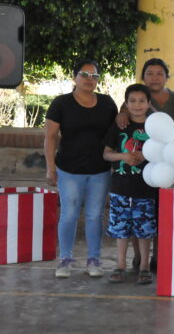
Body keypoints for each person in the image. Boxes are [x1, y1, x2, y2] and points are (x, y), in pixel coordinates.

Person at [44, 59, 118, 279]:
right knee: (69, 215)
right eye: (84, 75)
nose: (89, 80)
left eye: (94, 76)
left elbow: (117, 130)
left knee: (95, 216)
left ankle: (94, 259)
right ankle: (65, 259)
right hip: (69, 170)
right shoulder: (61, 103)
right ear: (74, 77)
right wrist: (50, 168)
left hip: (100, 170)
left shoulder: (106, 103)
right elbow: (50, 137)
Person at [115, 58, 174, 273]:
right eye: (150, 73)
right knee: (139, 211)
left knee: (163, 212)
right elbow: (122, 121)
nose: (154, 77)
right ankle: (138, 256)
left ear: (166, 77)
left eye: (159, 73)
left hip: (169, 163)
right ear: (143, 76)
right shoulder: (135, 98)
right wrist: (121, 114)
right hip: (139, 165)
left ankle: (158, 255)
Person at [103, 84, 157, 285]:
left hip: (146, 190)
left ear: (149, 104)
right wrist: (124, 156)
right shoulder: (120, 126)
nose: (137, 105)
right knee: (120, 230)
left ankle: (144, 266)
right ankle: (120, 265)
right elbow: (106, 153)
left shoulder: (154, 128)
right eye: (132, 101)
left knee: (144, 231)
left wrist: (146, 154)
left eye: (142, 101)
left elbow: (162, 155)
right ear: (126, 104)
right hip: (120, 189)